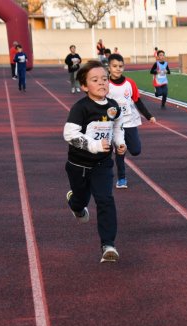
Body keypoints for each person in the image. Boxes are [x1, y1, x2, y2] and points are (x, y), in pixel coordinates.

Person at [63, 60, 127, 263]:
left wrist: (119, 142)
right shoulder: (80, 108)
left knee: (105, 200)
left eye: (105, 79)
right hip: (78, 165)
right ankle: (75, 203)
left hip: (102, 164)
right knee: (81, 200)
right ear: (84, 86)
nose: (102, 83)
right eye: (95, 80)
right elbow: (69, 134)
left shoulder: (113, 106)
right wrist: (94, 146)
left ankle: (108, 245)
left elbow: (117, 127)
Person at [107, 53, 156, 189]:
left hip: (130, 121)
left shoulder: (130, 83)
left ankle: (122, 146)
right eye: (115, 66)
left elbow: (137, 101)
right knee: (120, 150)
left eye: (121, 66)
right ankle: (121, 178)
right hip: (115, 124)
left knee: (135, 150)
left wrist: (148, 115)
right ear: (109, 67)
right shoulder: (106, 84)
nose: (118, 69)